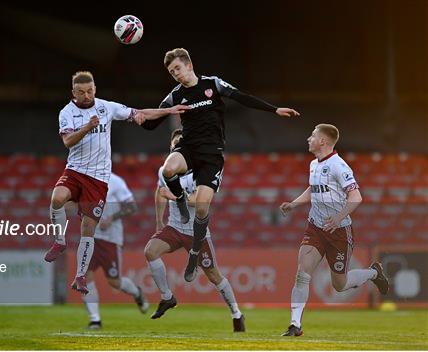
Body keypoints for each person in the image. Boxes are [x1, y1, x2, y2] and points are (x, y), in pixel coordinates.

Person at [140, 48, 300, 282]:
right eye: (171, 71)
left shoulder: (212, 84)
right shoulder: (174, 96)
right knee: (168, 169)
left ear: (189, 65)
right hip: (189, 149)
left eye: (177, 68)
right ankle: (181, 201)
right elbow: (148, 126)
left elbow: (240, 96)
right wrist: (161, 111)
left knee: (203, 209)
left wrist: (274, 109)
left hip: (212, 154)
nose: (175, 74)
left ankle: (195, 251)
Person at [44, 71, 188, 294]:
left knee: (88, 229)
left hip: (98, 178)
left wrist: (168, 111)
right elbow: (67, 141)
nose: (87, 95)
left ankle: (80, 277)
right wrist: (86, 128)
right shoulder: (67, 113)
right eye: (81, 92)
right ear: (73, 93)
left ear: (95, 89)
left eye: (90, 90)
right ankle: (59, 241)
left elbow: (139, 113)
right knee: (57, 197)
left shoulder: (106, 107)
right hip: (75, 170)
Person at [279, 124, 389, 337]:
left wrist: (338, 218)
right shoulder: (313, 164)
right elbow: (313, 188)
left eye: (312, 135)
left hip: (339, 232)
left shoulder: (339, 166)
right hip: (316, 228)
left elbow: (356, 197)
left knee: (340, 284)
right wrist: (294, 204)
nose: (308, 138)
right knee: (302, 274)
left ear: (323, 141)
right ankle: (295, 325)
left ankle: (374, 273)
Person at [143, 129, 245, 332]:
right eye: (175, 145)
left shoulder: (202, 170)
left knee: (214, 275)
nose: (178, 148)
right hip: (174, 226)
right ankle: (167, 297)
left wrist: (172, 196)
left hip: (196, 233)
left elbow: (197, 200)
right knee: (150, 251)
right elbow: (159, 191)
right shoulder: (167, 169)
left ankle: (236, 313)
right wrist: (158, 221)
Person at [81, 172, 149, 329]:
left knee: (114, 282)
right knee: (85, 276)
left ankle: (136, 293)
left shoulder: (116, 181)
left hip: (110, 239)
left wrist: (112, 218)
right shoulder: (86, 179)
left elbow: (132, 207)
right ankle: (95, 320)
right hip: (90, 237)